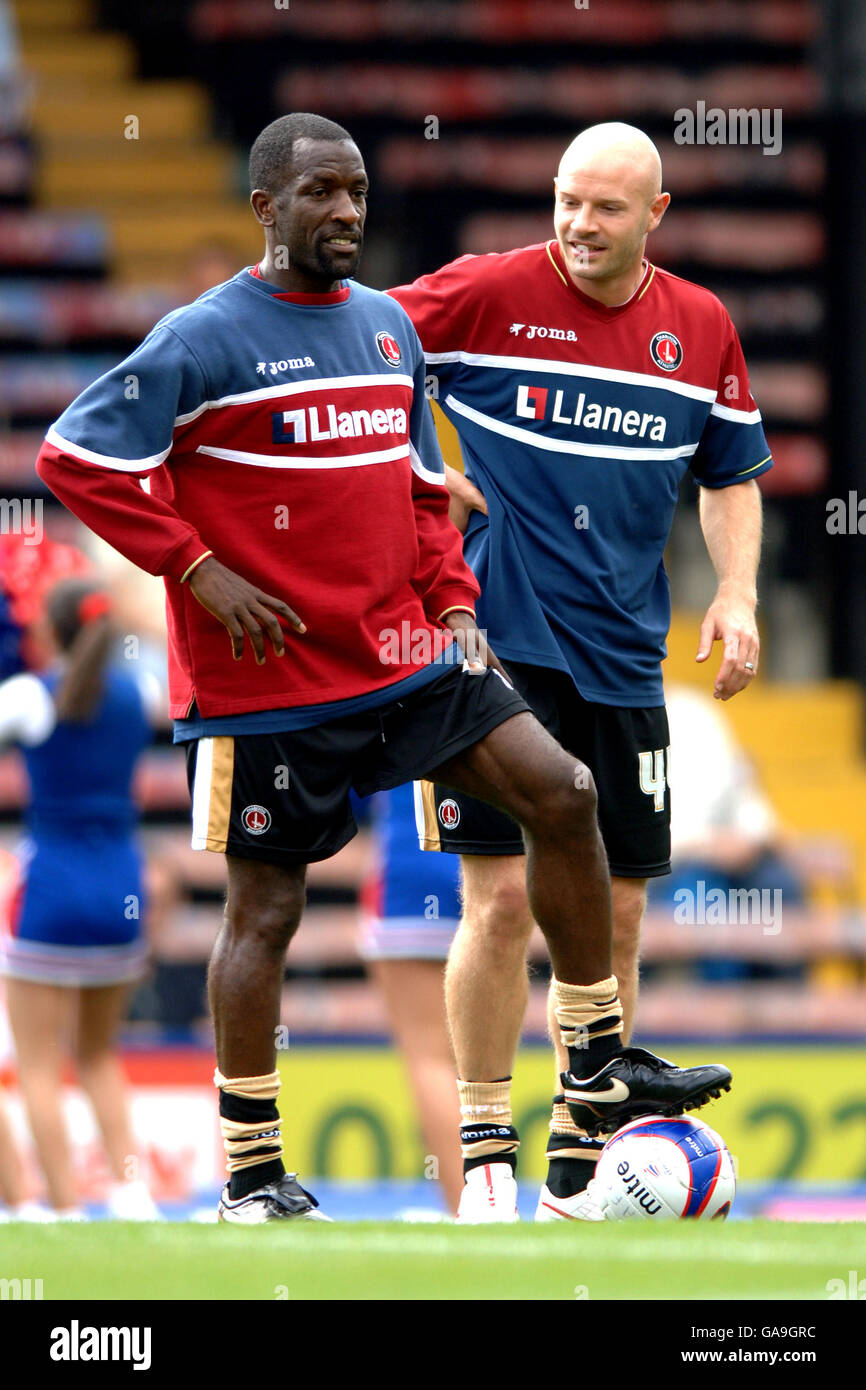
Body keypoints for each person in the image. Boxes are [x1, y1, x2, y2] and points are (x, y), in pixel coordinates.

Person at [35, 111, 730, 1225]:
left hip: (407, 657)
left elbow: (419, 488)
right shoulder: (202, 337)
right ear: (267, 208)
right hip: (267, 677)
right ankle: (253, 1176)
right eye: (320, 193)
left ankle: (595, 1060)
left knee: (566, 793)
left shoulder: (381, 329)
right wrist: (198, 567)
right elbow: (71, 456)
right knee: (264, 916)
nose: (346, 212)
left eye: (356, 191)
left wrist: (452, 602)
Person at [389, 121, 768, 1220]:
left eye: (604, 207)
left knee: (615, 918)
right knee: (501, 898)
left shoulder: (698, 326)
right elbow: (362, 353)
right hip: (486, 648)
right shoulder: (483, 293)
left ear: (653, 215)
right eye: (564, 199)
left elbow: (731, 472)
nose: (577, 224)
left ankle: (576, 1169)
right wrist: (419, 471)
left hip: (623, 657)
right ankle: (482, 1158)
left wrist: (736, 590)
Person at [0, 578, 159, 1220]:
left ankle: (59, 1206)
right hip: (122, 887)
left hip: (51, 894)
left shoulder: (28, 697)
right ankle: (132, 1195)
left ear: (51, 632)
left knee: (38, 1064)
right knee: (99, 1055)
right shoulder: (138, 692)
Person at [359, 783, 464, 1214]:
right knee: (478, 1063)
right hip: (491, 865)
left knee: (429, 1058)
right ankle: (493, 1197)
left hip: (410, 867)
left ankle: (467, 1207)